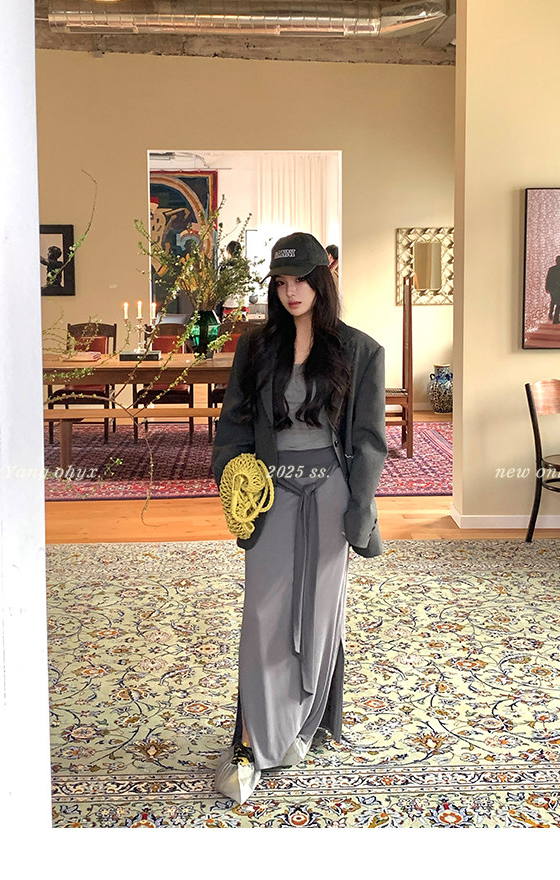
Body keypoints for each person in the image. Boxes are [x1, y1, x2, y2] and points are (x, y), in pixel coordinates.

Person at [211, 231, 387, 803]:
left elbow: (369, 441)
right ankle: (251, 741)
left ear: (322, 281)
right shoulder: (256, 346)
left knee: (318, 613)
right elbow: (234, 424)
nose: (291, 292)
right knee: (264, 611)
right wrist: (233, 478)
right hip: (271, 489)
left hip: (331, 492)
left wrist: (359, 507)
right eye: (282, 283)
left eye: (301, 281)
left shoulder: (360, 350)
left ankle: (301, 727)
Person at [544, 255, 560, 324]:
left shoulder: (551, 269)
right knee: (558, 303)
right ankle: (555, 319)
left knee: (553, 301)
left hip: (552, 287)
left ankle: (550, 314)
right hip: (558, 287)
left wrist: (547, 287)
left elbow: (548, 278)